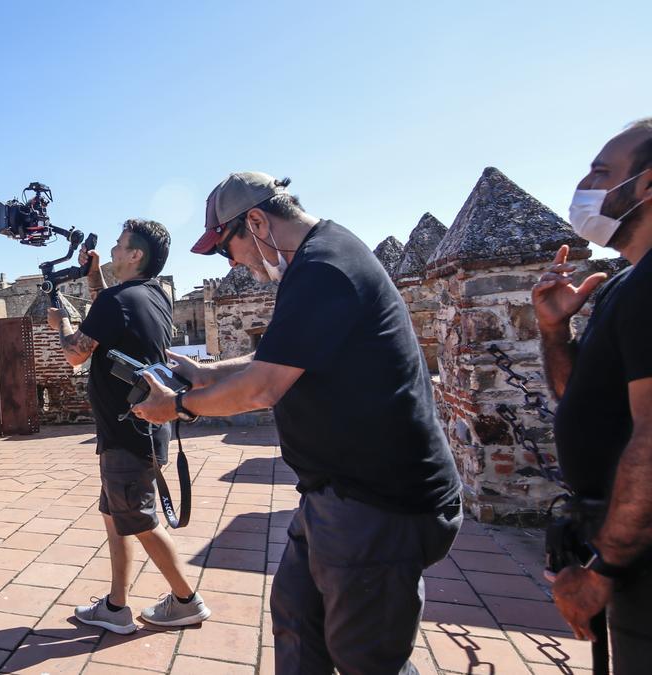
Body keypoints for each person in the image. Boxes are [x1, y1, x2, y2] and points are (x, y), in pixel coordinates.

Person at [133, 172, 462, 673]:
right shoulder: (316, 263)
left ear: (258, 221)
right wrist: (202, 374)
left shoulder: (324, 267)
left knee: (366, 658)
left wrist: (178, 408)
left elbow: (264, 386)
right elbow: (276, 359)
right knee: (296, 623)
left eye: (228, 248)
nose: (234, 261)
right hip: (335, 497)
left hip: (380, 503)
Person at [46, 219, 210, 633]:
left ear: (136, 255)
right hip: (142, 428)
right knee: (117, 516)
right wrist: (95, 273)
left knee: (138, 520)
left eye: (120, 246)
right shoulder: (155, 295)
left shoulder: (117, 301)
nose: (116, 250)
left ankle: (186, 600)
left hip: (127, 431)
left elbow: (75, 355)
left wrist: (62, 324)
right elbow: (111, 314)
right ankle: (116, 607)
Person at [537, 118, 652, 666]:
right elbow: (580, 398)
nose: (586, 184)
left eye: (602, 173)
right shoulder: (629, 282)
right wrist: (554, 330)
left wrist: (604, 568)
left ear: (648, 187)